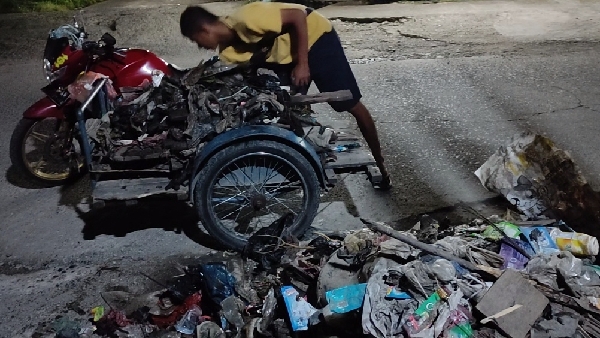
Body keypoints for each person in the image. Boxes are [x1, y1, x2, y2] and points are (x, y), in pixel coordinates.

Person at [179, 2, 391, 189]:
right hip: (286, 56)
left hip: (316, 38)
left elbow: (298, 16)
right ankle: (305, 160)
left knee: (350, 103)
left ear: (204, 29)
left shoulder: (248, 18)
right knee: (286, 108)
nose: (199, 46)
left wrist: (303, 63)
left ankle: (381, 164)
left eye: (196, 40)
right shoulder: (228, 50)